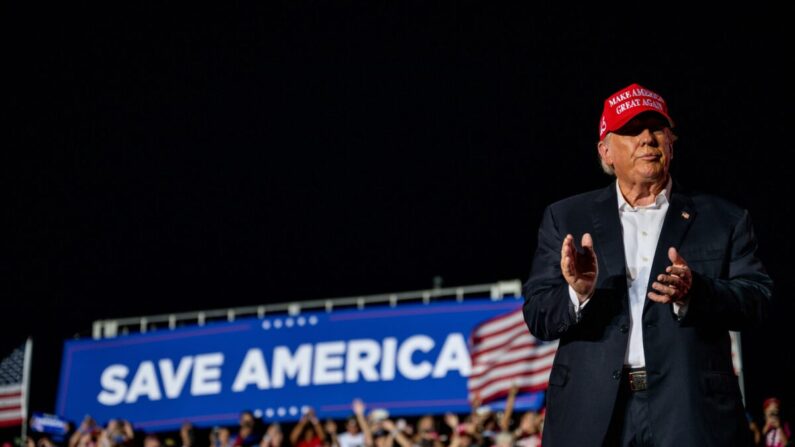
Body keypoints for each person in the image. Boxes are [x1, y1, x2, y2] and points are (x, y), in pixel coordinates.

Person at [522, 83, 773, 446]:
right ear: (606, 151)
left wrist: (696, 292)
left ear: (671, 142)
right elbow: (538, 314)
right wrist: (577, 294)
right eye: (631, 130)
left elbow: (757, 299)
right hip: (592, 414)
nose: (647, 139)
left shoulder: (723, 219)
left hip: (690, 412)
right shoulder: (566, 218)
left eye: (656, 129)